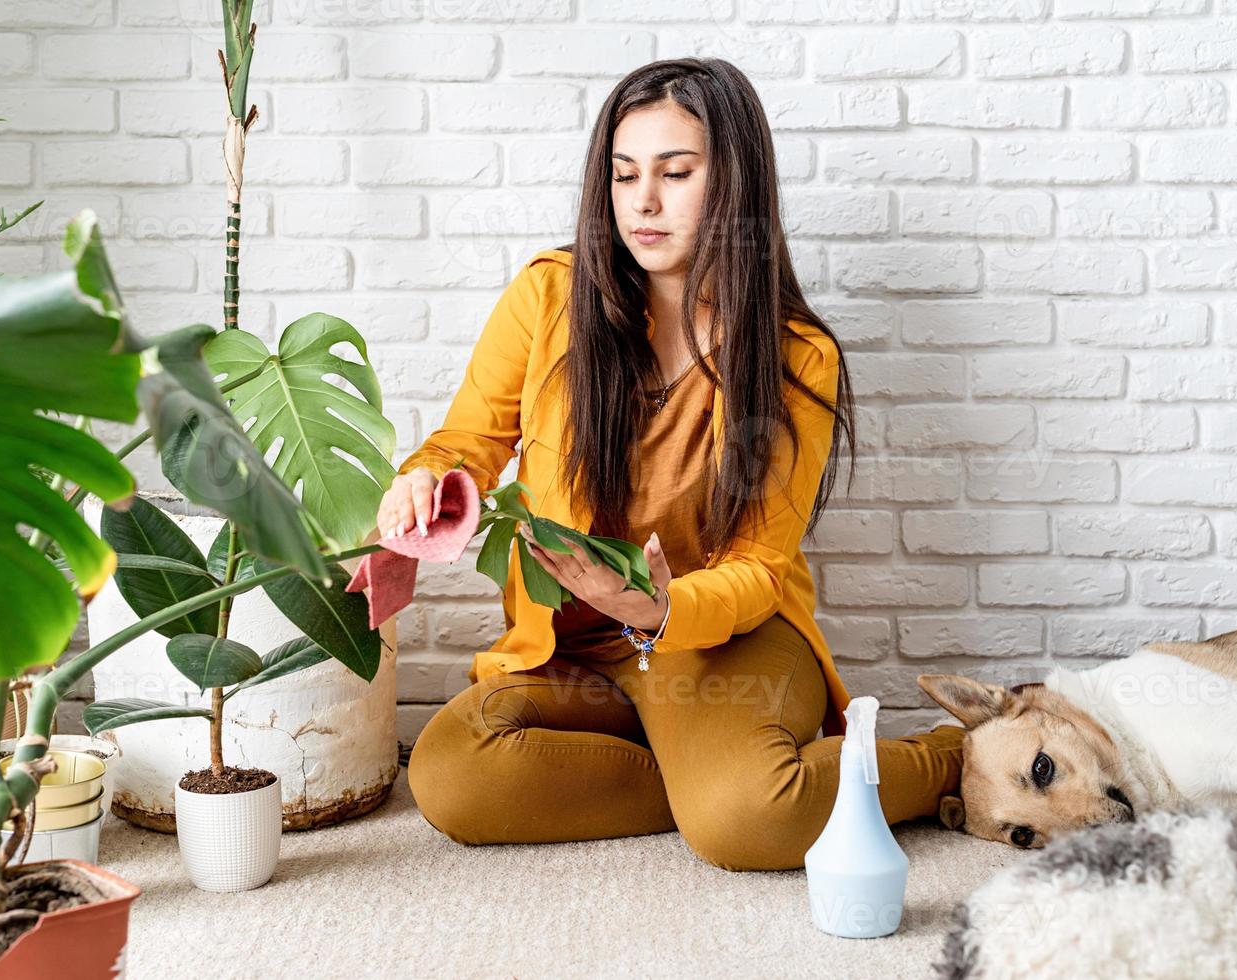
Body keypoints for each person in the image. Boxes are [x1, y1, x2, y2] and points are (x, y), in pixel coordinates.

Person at [378, 58, 963, 871]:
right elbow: (467, 445)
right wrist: (423, 486)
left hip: (722, 643)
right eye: (623, 176)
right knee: (452, 774)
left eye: (675, 173)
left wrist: (654, 609)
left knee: (745, 829)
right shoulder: (547, 297)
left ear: (733, 185)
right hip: (580, 655)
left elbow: (759, 566)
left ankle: (951, 758)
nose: (642, 202)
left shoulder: (795, 358)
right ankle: (709, 780)